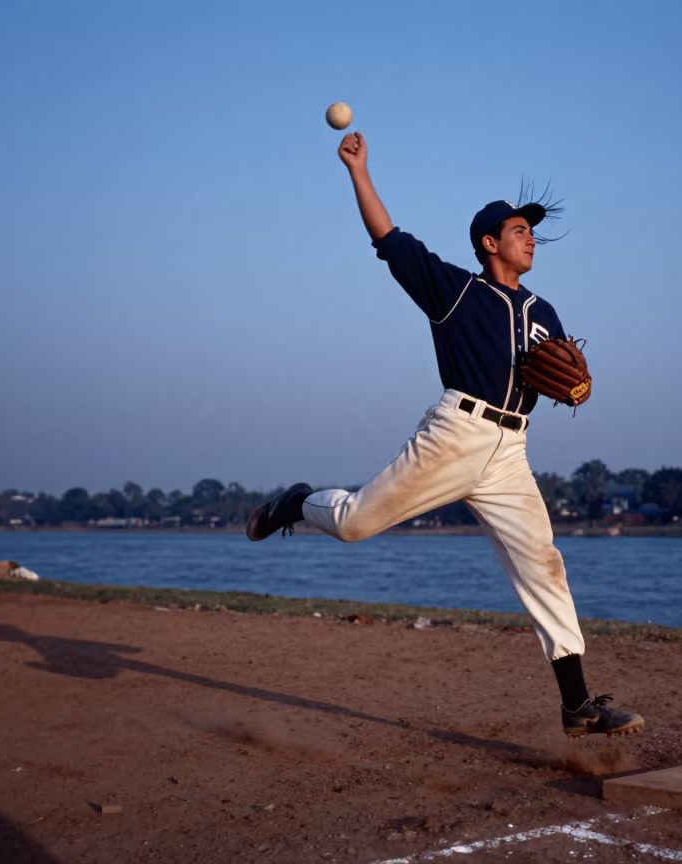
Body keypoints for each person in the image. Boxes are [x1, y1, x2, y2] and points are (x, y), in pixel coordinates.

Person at [246, 132, 644, 738]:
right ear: (490, 243)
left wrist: (577, 389)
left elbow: (553, 382)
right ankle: (296, 503)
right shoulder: (456, 291)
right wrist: (359, 170)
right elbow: (389, 240)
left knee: (545, 564)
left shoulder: (545, 313)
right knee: (355, 525)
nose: (530, 236)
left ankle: (578, 706)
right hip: (456, 434)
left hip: (512, 451)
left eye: (531, 230)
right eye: (518, 230)